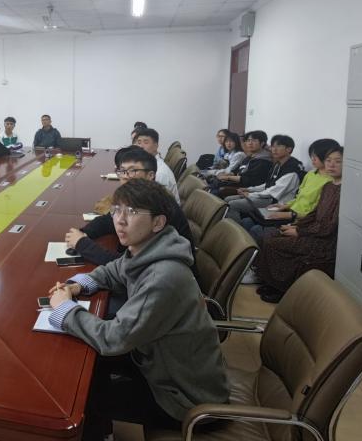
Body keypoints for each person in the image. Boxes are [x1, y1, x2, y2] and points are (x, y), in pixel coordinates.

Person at [47, 179, 229, 440]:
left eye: (131, 212)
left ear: (158, 222)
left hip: (185, 398)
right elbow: (115, 270)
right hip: (158, 362)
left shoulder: (161, 276)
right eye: (116, 210)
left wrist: (65, 309)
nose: (120, 220)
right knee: (91, 366)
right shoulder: (148, 248)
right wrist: (79, 285)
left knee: (82, 400)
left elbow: (113, 338)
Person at [65, 146, 193, 267]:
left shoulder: (159, 205)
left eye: (132, 171)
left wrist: (83, 244)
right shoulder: (135, 198)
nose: (125, 176)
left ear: (150, 175)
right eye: (122, 171)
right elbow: (108, 221)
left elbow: (130, 265)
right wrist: (84, 233)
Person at [255, 146, 344, 303]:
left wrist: (300, 232)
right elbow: (314, 214)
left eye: (338, 161)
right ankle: (270, 282)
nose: (331, 165)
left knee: (272, 242)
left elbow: (329, 226)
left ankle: (282, 288)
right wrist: (296, 226)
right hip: (312, 232)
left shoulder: (345, 191)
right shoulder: (329, 186)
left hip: (324, 241)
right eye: (328, 160)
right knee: (269, 235)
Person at [240, 138, 339, 244]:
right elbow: (299, 197)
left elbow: (317, 213)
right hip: (291, 212)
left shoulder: (330, 182)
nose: (313, 159)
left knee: (255, 229)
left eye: (317, 156)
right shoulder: (311, 174)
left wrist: (289, 215)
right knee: (248, 221)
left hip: (300, 218)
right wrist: (285, 205)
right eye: (312, 155)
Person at [223, 134, 304, 215]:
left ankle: (236, 223)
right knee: (228, 199)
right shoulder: (278, 164)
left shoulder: (292, 170)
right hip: (267, 196)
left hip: (277, 202)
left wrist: (250, 194)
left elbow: (273, 191)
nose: (274, 149)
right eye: (272, 146)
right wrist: (249, 189)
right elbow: (269, 184)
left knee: (233, 204)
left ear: (289, 149)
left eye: (278, 146)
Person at [208, 130, 272, 195]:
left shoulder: (263, 161)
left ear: (262, 143)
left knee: (214, 189)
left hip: (247, 188)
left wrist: (228, 177)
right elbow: (238, 170)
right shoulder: (249, 157)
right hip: (238, 182)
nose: (250, 143)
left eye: (254, 140)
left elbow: (249, 181)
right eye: (248, 140)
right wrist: (229, 174)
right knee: (213, 182)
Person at [131, 128, 180, 202]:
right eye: (139, 142)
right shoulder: (148, 163)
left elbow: (158, 204)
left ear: (156, 146)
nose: (141, 146)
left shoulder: (160, 173)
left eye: (146, 142)